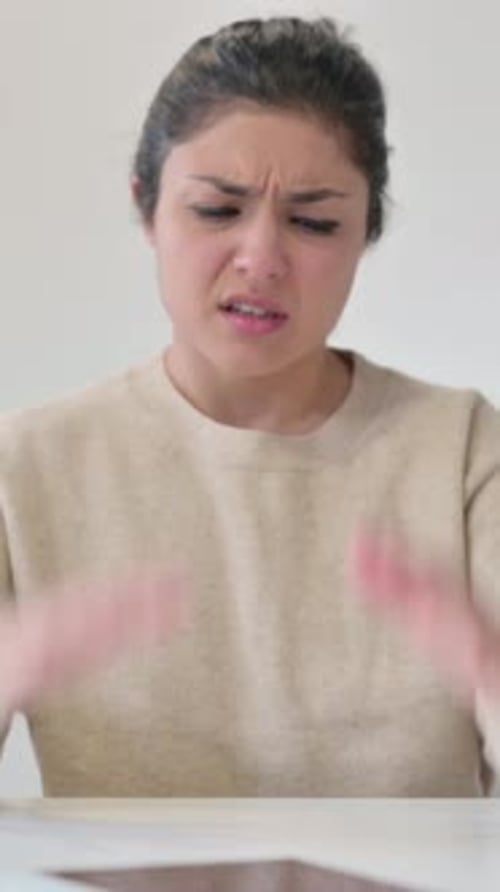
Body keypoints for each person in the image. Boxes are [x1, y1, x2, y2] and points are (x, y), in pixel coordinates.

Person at [0, 15, 499, 797]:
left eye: (313, 222)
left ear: (365, 233)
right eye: (216, 209)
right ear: (147, 208)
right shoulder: (26, 465)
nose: (261, 258)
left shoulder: (462, 449)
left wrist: (491, 675)